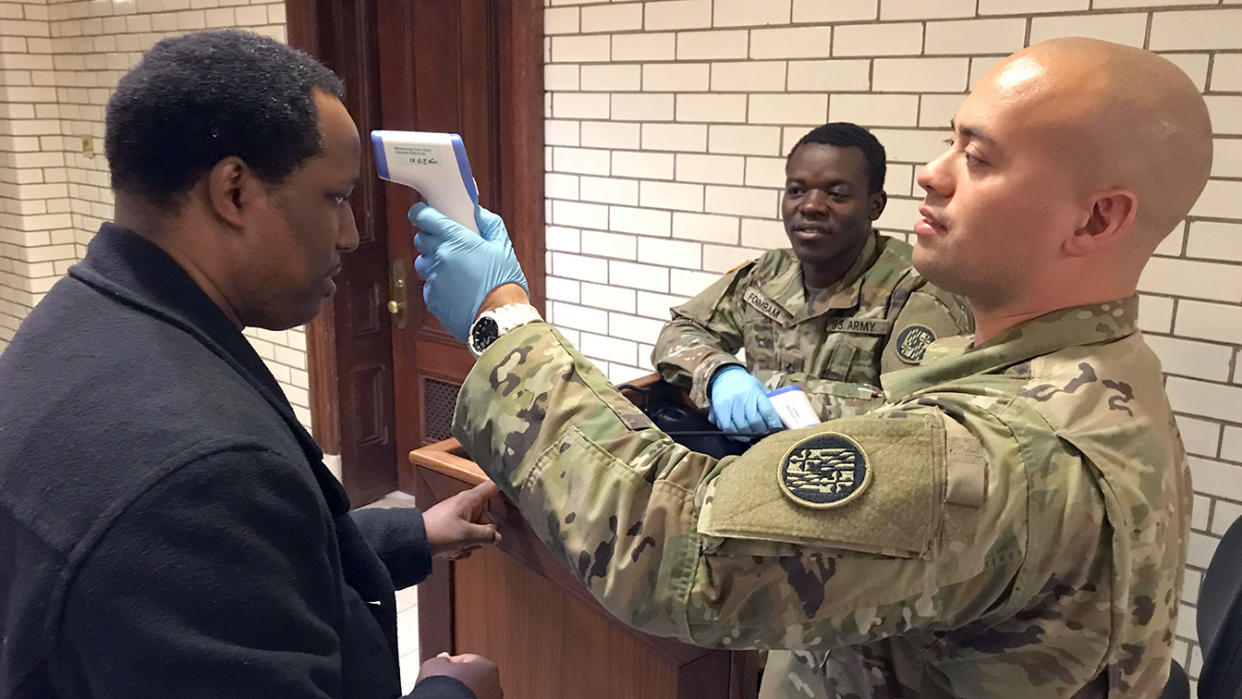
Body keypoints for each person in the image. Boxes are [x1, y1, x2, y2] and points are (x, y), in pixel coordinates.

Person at [410, 36, 1208, 697]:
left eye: (980, 156)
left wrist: (502, 321)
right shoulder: (1106, 373)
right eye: (949, 140)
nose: (936, 172)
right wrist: (721, 374)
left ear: (1096, 216)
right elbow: (686, 331)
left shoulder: (997, 449)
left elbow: (666, 546)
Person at [0, 30, 503, 699]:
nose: (351, 234)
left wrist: (407, 532)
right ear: (233, 192)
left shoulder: (73, 324)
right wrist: (451, 691)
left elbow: (234, 573)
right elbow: (207, 534)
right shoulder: (203, 471)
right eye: (333, 197)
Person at [652, 123, 972, 435]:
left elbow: (921, 418)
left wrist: (779, 393)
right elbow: (680, 331)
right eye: (796, 190)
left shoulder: (918, 289)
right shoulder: (767, 273)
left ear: (875, 205)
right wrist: (721, 373)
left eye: (836, 194)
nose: (810, 206)